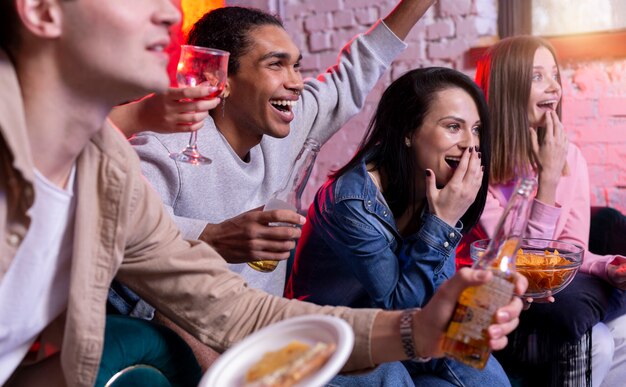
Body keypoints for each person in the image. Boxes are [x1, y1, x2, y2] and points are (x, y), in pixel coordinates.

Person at [0, 0, 527, 385]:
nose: (170, 13)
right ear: (43, 11)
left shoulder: (108, 169)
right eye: (278, 65)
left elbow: (231, 309)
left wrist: (418, 330)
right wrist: (211, 233)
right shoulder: (150, 155)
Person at [111, 2, 437, 297]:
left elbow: (354, 72)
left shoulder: (286, 129)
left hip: (265, 325)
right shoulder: (162, 146)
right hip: (187, 334)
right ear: (219, 79)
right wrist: (211, 236)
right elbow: (123, 229)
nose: (296, 82)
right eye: (276, 65)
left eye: (296, 65)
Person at [285, 67, 510, 385]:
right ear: (408, 131)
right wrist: (442, 222)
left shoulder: (434, 189)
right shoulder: (349, 202)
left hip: (394, 337)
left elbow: (432, 298)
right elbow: (400, 313)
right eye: (453, 127)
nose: (471, 144)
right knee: (391, 375)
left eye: (475, 130)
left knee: (485, 372)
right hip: (330, 340)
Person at [459, 35, 626, 386]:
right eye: (537, 77)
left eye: (555, 75)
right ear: (507, 90)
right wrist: (547, 180)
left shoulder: (573, 159)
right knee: (596, 341)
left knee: (618, 329)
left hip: (546, 298)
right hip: (499, 308)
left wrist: (604, 266)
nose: (554, 87)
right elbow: (524, 269)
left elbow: (567, 251)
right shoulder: (475, 168)